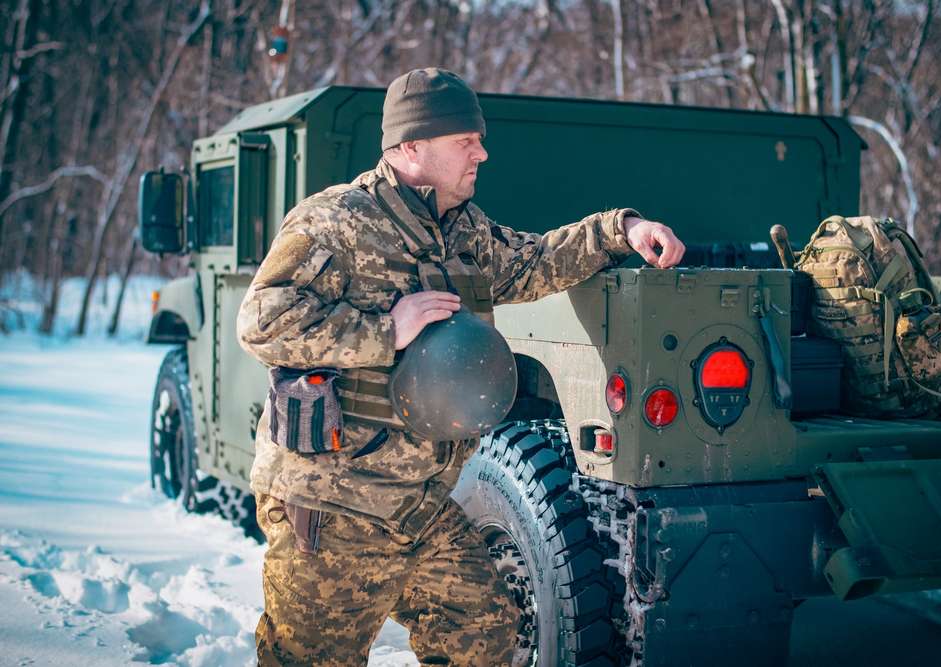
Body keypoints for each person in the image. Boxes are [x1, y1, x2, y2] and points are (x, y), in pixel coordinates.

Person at [236, 67, 685, 667]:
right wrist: (385, 331)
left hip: (416, 501)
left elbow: (534, 261)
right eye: (465, 141)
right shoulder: (335, 221)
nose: (483, 152)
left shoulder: (461, 228)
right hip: (332, 501)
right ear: (411, 146)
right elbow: (262, 321)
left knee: (484, 632)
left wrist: (622, 229)